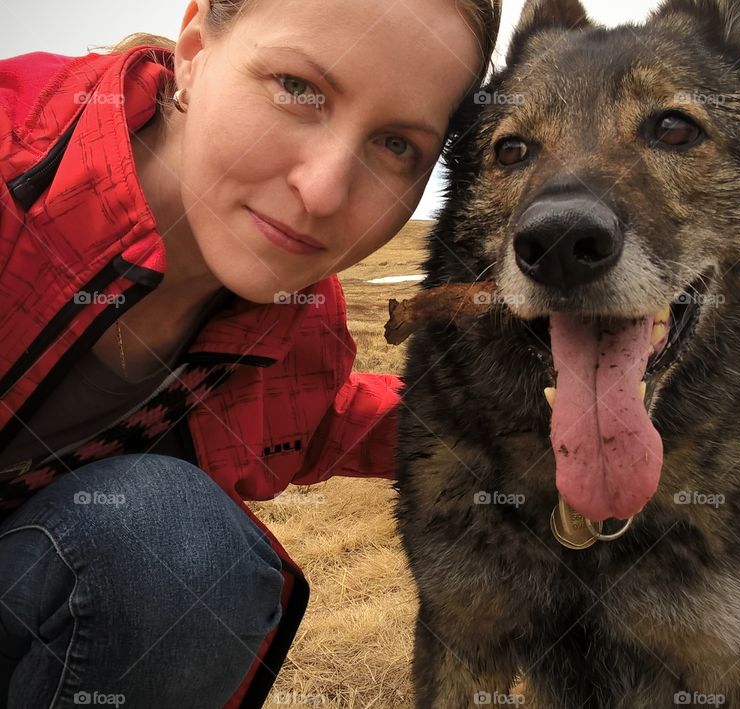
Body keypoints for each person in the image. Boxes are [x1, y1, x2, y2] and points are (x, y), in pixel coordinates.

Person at [0, 0, 501, 706]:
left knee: (172, 545)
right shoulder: (16, 162)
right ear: (195, 47)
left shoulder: (296, 321)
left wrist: (525, 425)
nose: (322, 191)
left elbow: (319, 420)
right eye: (298, 88)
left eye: (396, 145)